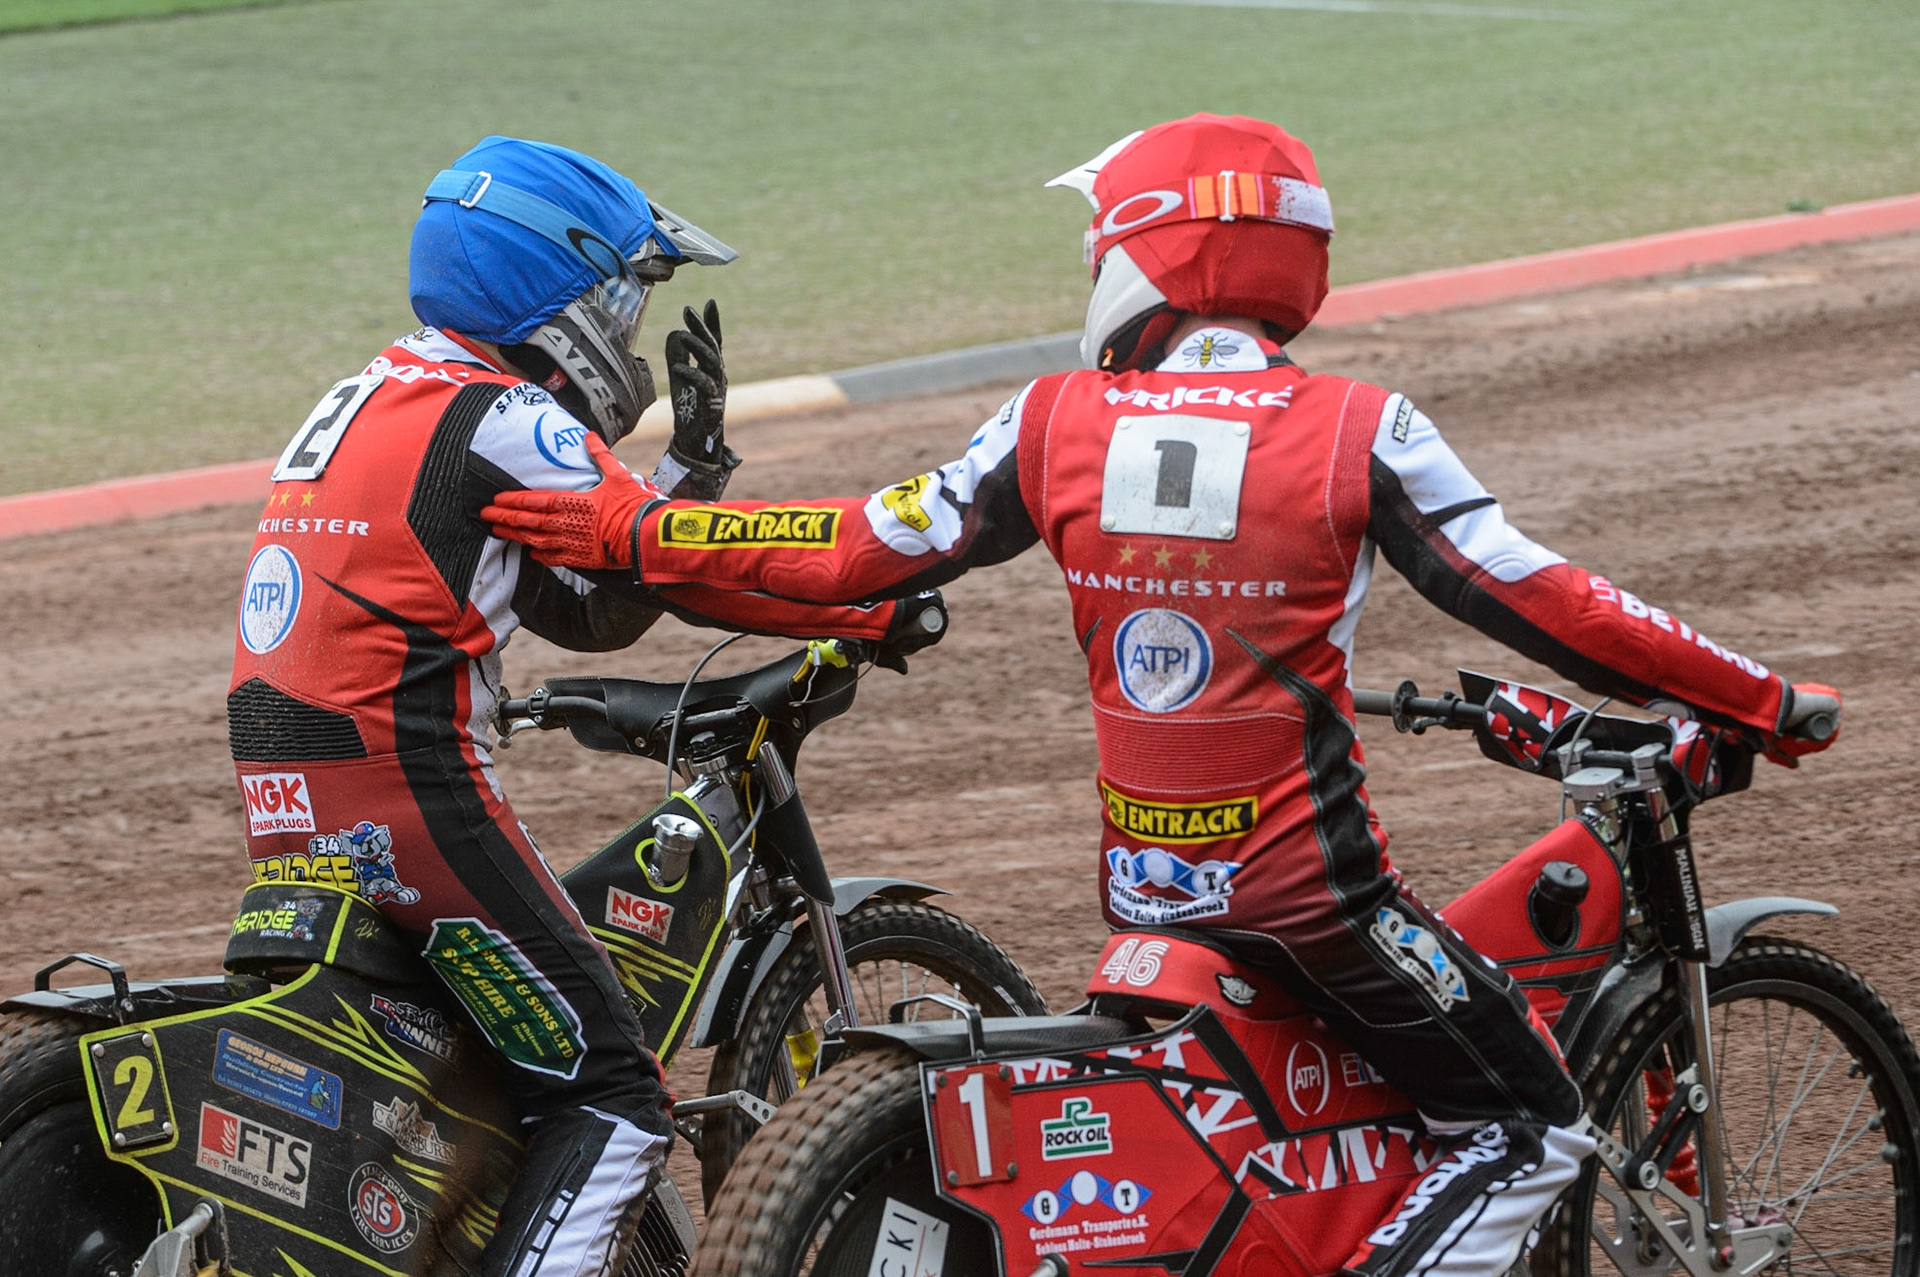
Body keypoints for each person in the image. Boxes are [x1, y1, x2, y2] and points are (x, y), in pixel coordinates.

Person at [482, 115, 1841, 1277]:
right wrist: (1763, 697)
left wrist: (634, 532)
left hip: (1149, 895)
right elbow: (1552, 602)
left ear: (1156, 251)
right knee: (1531, 1125)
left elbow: (846, 546)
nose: (1094, 266)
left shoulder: (1051, 420)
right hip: (1317, 904)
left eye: (1102, 241)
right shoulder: (1362, 429)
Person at [227, 136, 942, 1276]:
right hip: (409, 785)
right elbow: (666, 563)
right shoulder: (507, 415)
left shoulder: (376, 392)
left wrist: (690, 465)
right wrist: (866, 598)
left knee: (489, 1059)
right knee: (612, 1091)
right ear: (550, 289)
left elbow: (584, 606)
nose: (628, 324)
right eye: (621, 293)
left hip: (288, 782)